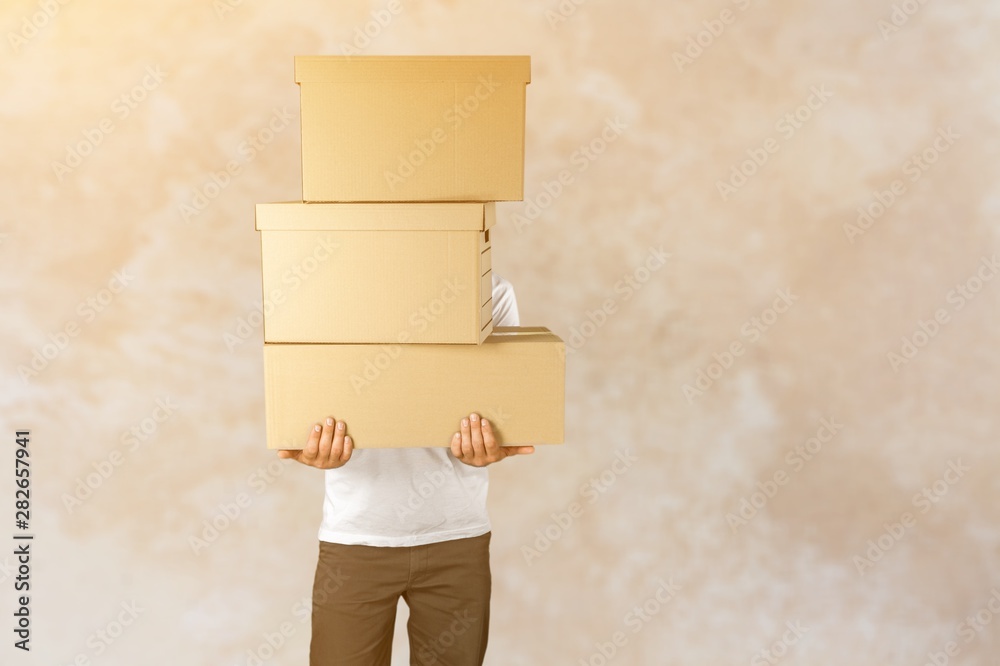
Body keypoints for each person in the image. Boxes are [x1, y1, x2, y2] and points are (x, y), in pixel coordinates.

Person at [278, 274, 533, 666]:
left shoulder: (489, 290)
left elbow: (503, 405)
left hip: (456, 540)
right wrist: (310, 445)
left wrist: (492, 448)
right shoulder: (327, 290)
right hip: (356, 540)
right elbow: (303, 393)